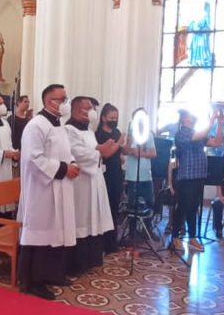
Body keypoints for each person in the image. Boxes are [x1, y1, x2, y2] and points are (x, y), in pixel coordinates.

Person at [18, 84, 78, 300]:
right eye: (61, 99)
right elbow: (33, 159)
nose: (65, 103)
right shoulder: (36, 125)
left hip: (59, 186)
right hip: (41, 190)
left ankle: (53, 273)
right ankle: (34, 281)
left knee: (55, 231)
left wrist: (72, 163)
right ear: (48, 101)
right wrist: (63, 169)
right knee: (41, 233)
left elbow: (65, 152)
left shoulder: (58, 125)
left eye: (65, 98)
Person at [65, 97, 116, 274]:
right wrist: (100, 151)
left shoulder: (87, 129)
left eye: (92, 108)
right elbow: (77, 154)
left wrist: (100, 149)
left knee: (93, 218)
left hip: (94, 179)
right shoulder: (69, 129)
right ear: (76, 110)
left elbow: (93, 150)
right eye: (87, 108)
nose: (92, 112)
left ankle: (91, 259)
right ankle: (76, 264)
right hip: (81, 182)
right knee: (81, 219)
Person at [173, 109, 224, 251]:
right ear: (183, 119)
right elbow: (197, 136)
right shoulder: (181, 133)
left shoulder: (197, 133)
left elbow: (217, 142)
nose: (193, 118)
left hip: (199, 177)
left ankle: (192, 237)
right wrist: (211, 120)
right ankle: (175, 237)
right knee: (183, 207)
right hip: (186, 178)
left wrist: (220, 124)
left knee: (193, 208)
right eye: (190, 116)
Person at [95, 103, 127, 253]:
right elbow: (106, 154)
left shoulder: (116, 132)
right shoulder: (98, 134)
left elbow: (121, 152)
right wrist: (119, 142)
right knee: (104, 209)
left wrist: (126, 143)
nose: (114, 120)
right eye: (111, 118)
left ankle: (112, 243)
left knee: (115, 209)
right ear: (103, 118)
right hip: (104, 175)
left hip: (117, 174)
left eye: (116, 118)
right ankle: (102, 243)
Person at [124, 126, 158, 238]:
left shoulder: (149, 134)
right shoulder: (130, 134)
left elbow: (153, 153)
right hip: (132, 175)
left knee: (150, 203)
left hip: (146, 175)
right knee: (132, 205)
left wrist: (140, 153)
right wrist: (130, 143)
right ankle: (132, 232)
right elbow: (126, 151)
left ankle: (147, 230)